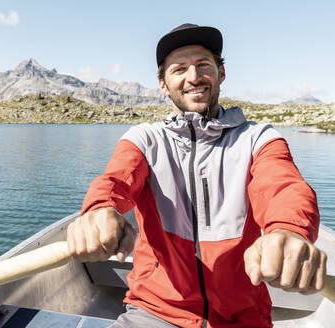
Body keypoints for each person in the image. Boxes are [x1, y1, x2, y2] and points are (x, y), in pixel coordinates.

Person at [66, 23, 327, 328]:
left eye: (203, 65)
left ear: (221, 73)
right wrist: (99, 210)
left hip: (242, 320)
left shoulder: (258, 139)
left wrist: (288, 230)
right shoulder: (144, 140)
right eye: (179, 69)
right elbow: (113, 182)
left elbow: (285, 187)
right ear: (163, 83)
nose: (193, 77)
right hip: (153, 311)